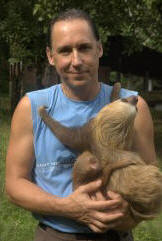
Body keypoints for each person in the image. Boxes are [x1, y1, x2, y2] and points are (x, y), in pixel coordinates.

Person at [6, 8, 157, 241]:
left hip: (116, 233)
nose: (76, 61)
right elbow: (15, 185)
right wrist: (69, 207)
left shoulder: (135, 106)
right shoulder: (31, 107)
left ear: (99, 48)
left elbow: (151, 186)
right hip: (56, 235)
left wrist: (127, 215)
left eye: (84, 48)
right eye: (65, 51)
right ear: (50, 56)